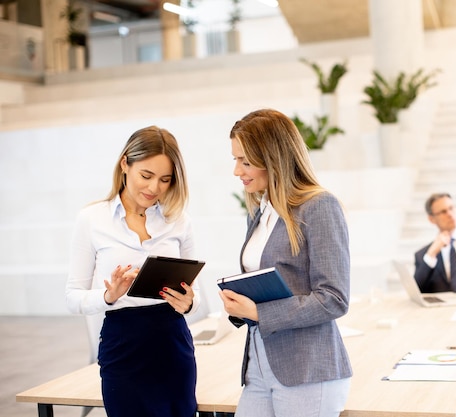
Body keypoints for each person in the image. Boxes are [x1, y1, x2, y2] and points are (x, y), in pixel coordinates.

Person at [219, 109, 352, 417]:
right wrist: (239, 303)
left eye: (246, 161)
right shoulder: (260, 210)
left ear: (273, 158)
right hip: (259, 365)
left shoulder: (319, 207)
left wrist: (258, 311)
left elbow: (334, 299)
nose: (237, 171)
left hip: (306, 370)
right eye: (235, 159)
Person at [65, 126, 200, 417]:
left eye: (165, 180)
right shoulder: (92, 219)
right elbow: (72, 298)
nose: (154, 188)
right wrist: (108, 296)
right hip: (123, 347)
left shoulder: (179, 221)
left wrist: (189, 302)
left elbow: (195, 294)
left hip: (173, 345)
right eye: (146, 176)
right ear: (125, 164)